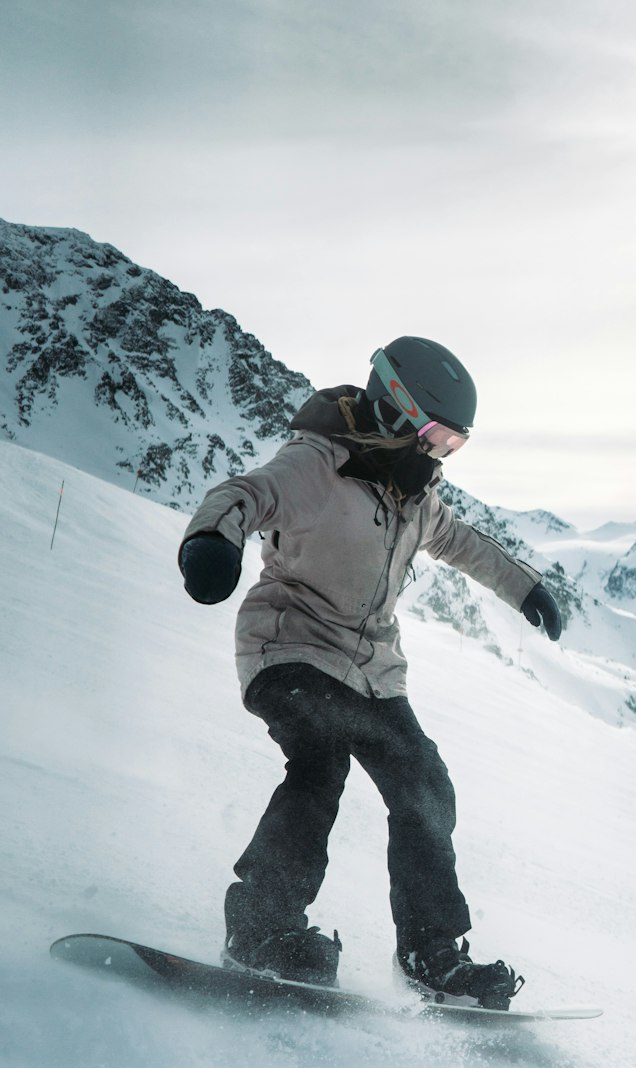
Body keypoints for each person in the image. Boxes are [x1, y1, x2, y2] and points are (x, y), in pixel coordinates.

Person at [178, 336, 562, 1009]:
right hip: (289, 645)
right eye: (438, 438)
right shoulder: (317, 466)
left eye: (454, 446)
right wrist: (210, 545)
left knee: (424, 784)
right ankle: (264, 930)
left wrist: (526, 588)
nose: (441, 455)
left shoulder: (414, 495)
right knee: (320, 761)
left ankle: (431, 953)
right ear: (398, 411)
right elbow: (242, 495)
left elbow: (467, 545)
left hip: (371, 672)